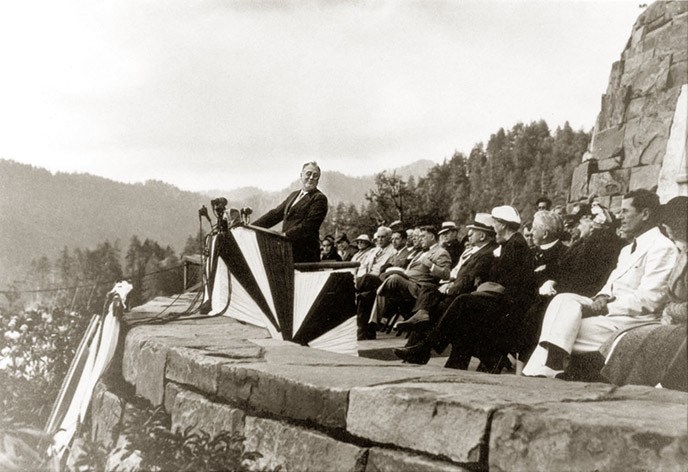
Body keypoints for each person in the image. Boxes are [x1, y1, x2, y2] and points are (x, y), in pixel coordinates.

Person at [522, 189, 679, 378]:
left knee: (560, 330)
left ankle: (540, 374)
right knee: (563, 300)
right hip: (609, 313)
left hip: (633, 319)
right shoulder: (628, 249)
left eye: (625, 211)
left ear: (645, 214)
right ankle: (551, 367)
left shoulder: (662, 247)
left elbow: (650, 299)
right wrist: (602, 296)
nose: (620, 217)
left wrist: (605, 307)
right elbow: (611, 285)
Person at [394, 205, 536, 371]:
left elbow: (509, 282)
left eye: (495, 223)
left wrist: (480, 288)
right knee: (452, 308)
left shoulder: (515, 244)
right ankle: (451, 360)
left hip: (508, 305)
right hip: (499, 298)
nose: (494, 228)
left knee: (460, 303)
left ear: (503, 224)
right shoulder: (509, 243)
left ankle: (426, 347)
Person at [599, 196, 687, 391]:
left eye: (670, 222)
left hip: (679, 323)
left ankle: (644, 389)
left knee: (635, 340)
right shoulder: (682, 252)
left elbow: (662, 300)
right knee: (628, 339)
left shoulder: (670, 249)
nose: (665, 226)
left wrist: (670, 311)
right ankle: (624, 388)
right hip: (672, 321)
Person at [518, 202, 624, 362]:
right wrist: (553, 282)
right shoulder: (583, 243)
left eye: (580, 223)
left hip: (581, 297)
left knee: (537, 313)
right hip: (564, 292)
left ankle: (539, 364)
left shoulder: (596, 245)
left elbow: (582, 278)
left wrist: (555, 285)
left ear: (594, 222)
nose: (576, 228)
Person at [395, 213, 498, 331]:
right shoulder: (474, 250)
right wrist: (448, 282)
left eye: (473, 232)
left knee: (430, 306)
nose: (469, 236)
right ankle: (418, 323)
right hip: (451, 284)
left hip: (461, 293)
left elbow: (469, 277)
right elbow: (456, 271)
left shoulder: (484, 253)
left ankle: (420, 340)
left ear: (482, 236)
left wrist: (449, 286)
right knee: (427, 293)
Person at [367, 226, 452, 331]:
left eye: (423, 236)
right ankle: (374, 322)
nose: (420, 239)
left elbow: (446, 274)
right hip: (407, 282)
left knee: (393, 279)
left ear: (432, 237)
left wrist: (431, 265)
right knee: (388, 282)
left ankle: (375, 319)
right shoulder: (420, 252)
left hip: (419, 286)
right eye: (419, 236)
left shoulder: (441, 252)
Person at [253, 162, 328, 263]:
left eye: (315, 176)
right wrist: (251, 227)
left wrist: (285, 235)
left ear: (318, 180)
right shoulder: (293, 195)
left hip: (305, 254)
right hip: (287, 251)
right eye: (308, 174)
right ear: (301, 175)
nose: (311, 178)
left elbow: (309, 226)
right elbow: (275, 214)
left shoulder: (319, 198)